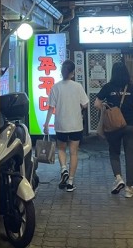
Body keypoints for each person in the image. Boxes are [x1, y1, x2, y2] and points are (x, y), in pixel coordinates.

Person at [94, 61, 133, 198]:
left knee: (114, 152)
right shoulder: (131, 88)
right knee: (130, 155)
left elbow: (96, 104)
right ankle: (129, 188)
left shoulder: (108, 87)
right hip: (131, 125)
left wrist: (106, 107)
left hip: (113, 126)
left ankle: (118, 178)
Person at [43, 59, 88, 192]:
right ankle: (70, 182)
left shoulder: (55, 87)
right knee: (74, 153)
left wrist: (46, 124)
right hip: (76, 125)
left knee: (61, 149)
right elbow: (85, 104)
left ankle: (64, 169)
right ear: (72, 72)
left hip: (61, 124)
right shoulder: (78, 86)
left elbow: (51, 107)